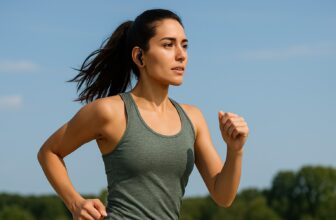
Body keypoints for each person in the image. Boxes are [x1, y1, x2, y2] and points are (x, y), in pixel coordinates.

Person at [37, 8, 249, 220]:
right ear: (139, 56)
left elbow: (223, 196)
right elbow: (49, 152)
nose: (181, 55)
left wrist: (234, 150)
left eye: (184, 45)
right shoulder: (110, 111)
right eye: (168, 44)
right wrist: (75, 203)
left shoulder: (193, 118)